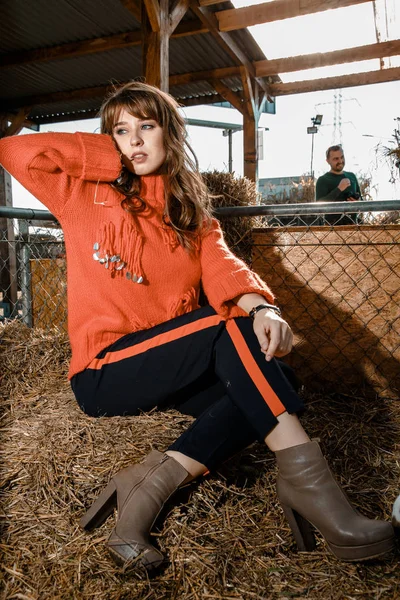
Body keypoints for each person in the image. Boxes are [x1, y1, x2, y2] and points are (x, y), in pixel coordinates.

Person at [0, 82, 394, 571]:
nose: (136, 140)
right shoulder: (82, 192)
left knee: (280, 383)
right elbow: (14, 150)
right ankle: (323, 501)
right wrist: (108, 153)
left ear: (171, 134)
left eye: (147, 126)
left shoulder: (191, 217)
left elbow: (225, 270)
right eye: (122, 131)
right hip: (107, 370)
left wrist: (265, 310)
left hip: (171, 367)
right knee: (225, 331)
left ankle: (150, 483)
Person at [316, 145, 362, 225]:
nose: (340, 161)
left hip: (353, 226)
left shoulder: (352, 176)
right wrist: (339, 189)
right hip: (331, 228)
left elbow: (362, 200)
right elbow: (319, 206)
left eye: (342, 157)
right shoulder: (323, 180)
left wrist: (357, 202)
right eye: (336, 159)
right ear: (328, 161)